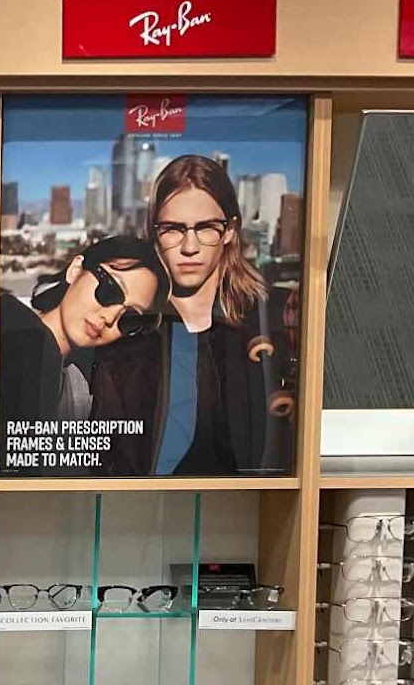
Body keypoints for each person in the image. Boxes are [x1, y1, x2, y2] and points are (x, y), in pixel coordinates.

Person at [87, 154, 295, 476]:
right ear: (154, 233)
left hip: (253, 501)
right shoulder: (125, 330)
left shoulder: (271, 317)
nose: (189, 247)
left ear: (229, 231)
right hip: (140, 502)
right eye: (173, 229)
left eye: (206, 228)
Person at [0, 236, 164, 475]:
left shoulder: (78, 382)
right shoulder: (14, 335)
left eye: (130, 318)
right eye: (111, 290)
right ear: (76, 270)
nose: (110, 318)